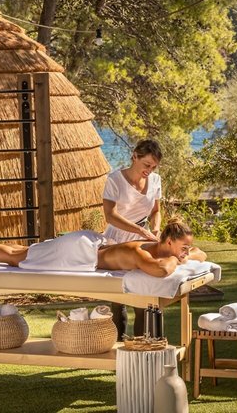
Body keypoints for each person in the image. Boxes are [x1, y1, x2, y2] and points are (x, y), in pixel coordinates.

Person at [0, 217, 206, 278]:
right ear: (168, 242)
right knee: (16, 257)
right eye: (183, 247)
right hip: (77, 251)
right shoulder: (140, 252)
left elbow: (201, 254)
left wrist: (185, 254)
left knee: (24, 250)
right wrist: (179, 260)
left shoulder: (161, 248)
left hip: (88, 245)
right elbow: (160, 271)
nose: (186, 253)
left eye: (187, 249)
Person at [102, 139, 163, 338]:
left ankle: (140, 347)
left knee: (142, 298)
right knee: (118, 299)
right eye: (147, 165)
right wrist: (140, 231)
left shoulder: (155, 180)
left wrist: (155, 229)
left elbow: (156, 211)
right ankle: (116, 348)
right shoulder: (115, 180)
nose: (149, 170)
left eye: (153, 167)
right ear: (135, 156)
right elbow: (110, 216)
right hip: (117, 240)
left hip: (143, 241)